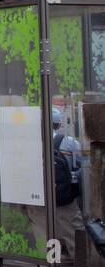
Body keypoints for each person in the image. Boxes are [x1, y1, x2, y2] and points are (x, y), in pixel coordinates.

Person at [52, 107, 82, 254]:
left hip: (41, 200)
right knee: (74, 233)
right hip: (64, 197)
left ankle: (53, 263)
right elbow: (82, 165)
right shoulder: (69, 143)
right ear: (58, 125)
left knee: (48, 234)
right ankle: (79, 263)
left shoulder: (31, 143)